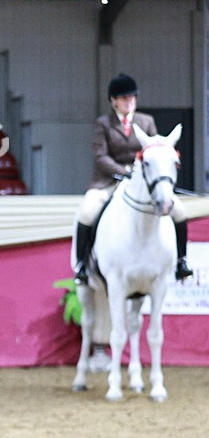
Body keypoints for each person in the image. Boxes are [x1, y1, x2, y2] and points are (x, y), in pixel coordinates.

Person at [73, 72, 191, 284]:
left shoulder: (146, 121)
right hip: (108, 181)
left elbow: (157, 151)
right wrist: (125, 172)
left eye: (132, 97)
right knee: (87, 212)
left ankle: (181, 261)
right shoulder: (103, 124)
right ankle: (82, 266)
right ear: (113, 101)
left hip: (144, 184)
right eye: (124, 98)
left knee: (180, 211)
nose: (129, 102)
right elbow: (101, 156)